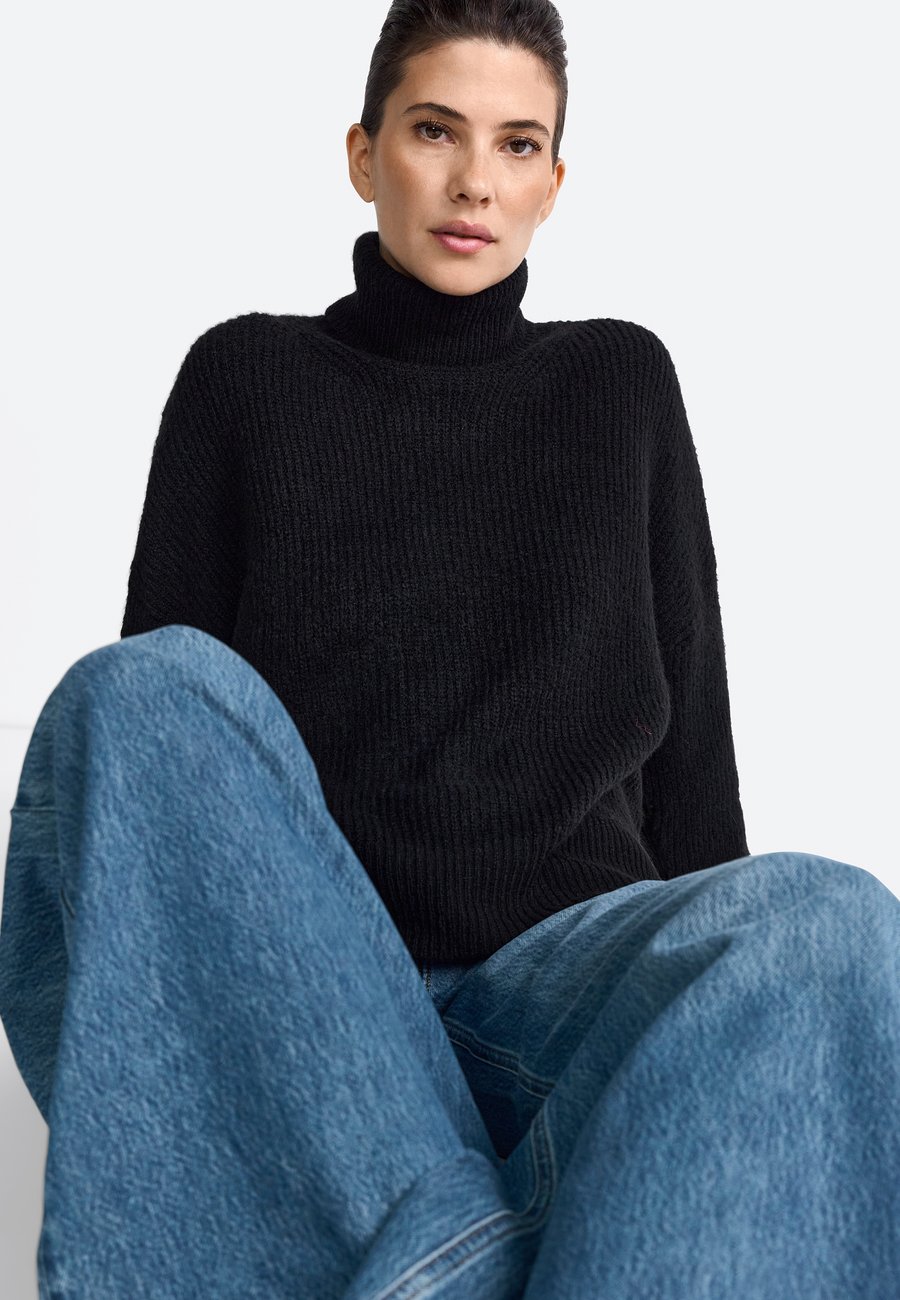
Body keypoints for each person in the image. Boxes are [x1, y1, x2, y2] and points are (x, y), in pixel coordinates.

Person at [1, 3, 898, 1297]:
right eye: (436, 131)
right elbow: (158, 822)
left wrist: (729, 1022)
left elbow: (696, 771)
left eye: (518, 144)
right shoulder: (246, 378)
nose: (477, 180)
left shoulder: (620, 386)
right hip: (314, 1006)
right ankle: (490, 1236)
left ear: (554, 183)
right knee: (138, 694)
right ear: (363, 155)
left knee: (829, 919)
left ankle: (435, 1247)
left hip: (566, 994)